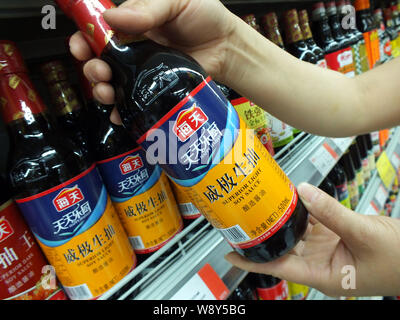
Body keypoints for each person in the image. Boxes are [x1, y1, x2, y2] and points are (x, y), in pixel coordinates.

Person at [69, 0, 400, 297]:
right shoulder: (148, 76)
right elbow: (359, 99)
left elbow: (360, 100)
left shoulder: (159, 68)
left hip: (278, 209)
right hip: (249, 226)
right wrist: (228, 44)